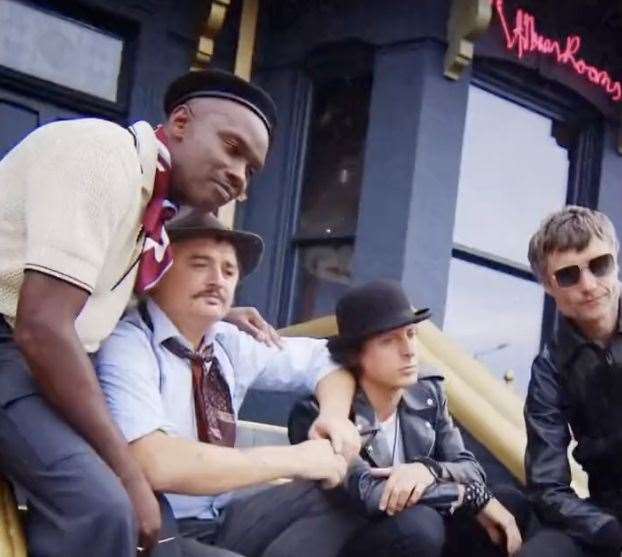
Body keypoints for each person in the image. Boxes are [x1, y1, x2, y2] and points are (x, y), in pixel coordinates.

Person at [0, 68, 295, 556]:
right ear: (180, 123)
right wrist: (128, 471)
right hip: (15, 346)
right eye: (231, 148)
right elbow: (43, 325)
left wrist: (217, 316)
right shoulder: (102, 155)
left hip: (37, 359)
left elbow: (95, 304)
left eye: (252, 170)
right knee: (104, 508)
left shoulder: (149, 213)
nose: (239, 176)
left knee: (162, 526)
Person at [95, 210, 360, 557]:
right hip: (151, 526)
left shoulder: (228, 342)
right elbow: (156, 462)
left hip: (219, 518)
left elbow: (328, 358)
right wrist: (295, 458)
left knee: (339, 495)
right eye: (199, 264)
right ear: (157, 272)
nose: (217, 279)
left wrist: (335, 417)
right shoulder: (128, 343)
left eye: (229, 270)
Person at [288, 279, 527, 557]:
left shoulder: (428, 392)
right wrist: (466, 497)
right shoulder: (318, 414)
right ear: (355, 355)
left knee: (509, 503)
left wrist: (428, 470)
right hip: (345, 539)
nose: (409, 350)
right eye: (389, 341)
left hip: (421, 533)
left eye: (411, 334)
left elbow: (470, 468)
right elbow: (369, 494)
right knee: (422, 525)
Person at [518, 206, 622, 557]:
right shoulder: (550, 368)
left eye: (599, 265)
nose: (588, 285)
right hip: (607, 516)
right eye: (568, 276)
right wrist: (606, 529)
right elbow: (547, 486)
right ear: (549, 286)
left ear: (616, 259)